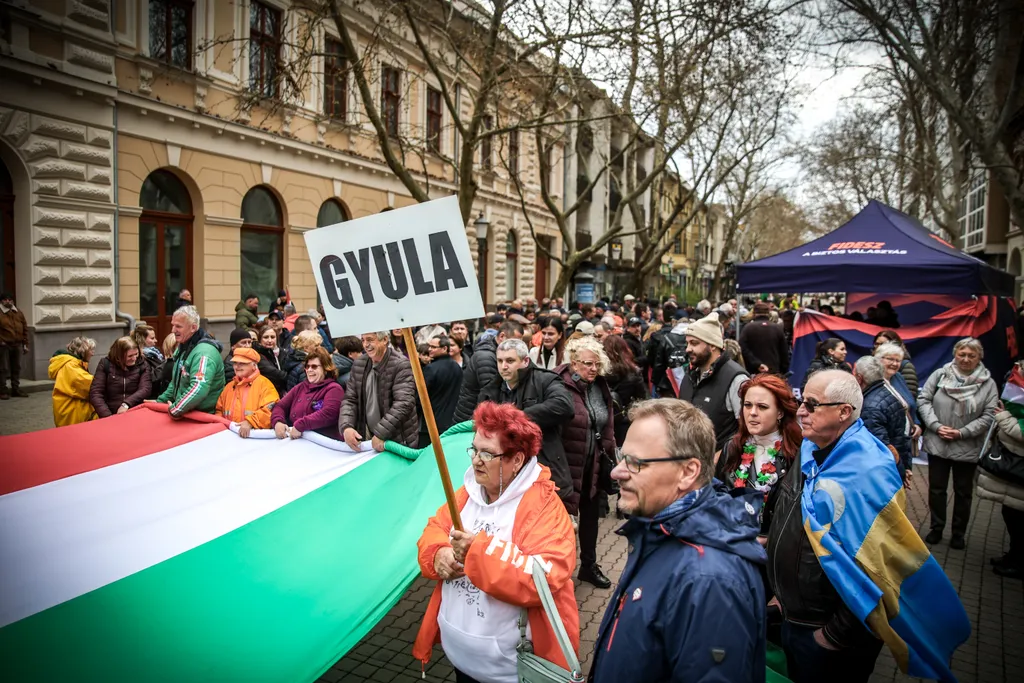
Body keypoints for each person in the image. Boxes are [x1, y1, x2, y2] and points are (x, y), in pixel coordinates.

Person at [768, 369, 968, 683]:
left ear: (844, 412)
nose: (800, 411)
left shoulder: (868, 472)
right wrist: (782, 594)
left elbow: (877, 565)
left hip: (829, 635)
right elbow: (793, 524)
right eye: (800, 400)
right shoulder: (811, 449)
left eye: (811, 403)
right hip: (795, 615)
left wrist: (835, 634)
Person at [589, 399, 767, 682]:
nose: (617, 472)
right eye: (622, 456)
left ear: (688, 472)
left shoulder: (710, 580)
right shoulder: (659, 531)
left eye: (635, 463)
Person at [412, 402, 579, 683]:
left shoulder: (544, 505)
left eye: (487, 453)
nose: (476, 460)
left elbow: (546, 577)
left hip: (508, 670)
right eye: (474, 450)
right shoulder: (468, 492)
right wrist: (438, 552)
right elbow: (434, 529)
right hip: (460, 658)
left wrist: (477, 552)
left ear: (516, 460)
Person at [477, 338, 575, 512]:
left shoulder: (544, 380)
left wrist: (516, 418)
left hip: (545, 464)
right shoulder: (491, 389)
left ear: (525, 361)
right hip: (507, 471)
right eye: (500, 361)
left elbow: (564, 405)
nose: (503, 366)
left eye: (510, 360)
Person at [919, 337, 998, 549]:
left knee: (963, 492)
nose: (965, 359)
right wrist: (936, 426)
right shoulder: (940, 375)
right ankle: (937, 528)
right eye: (961, 354)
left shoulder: (988, 383)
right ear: (955, 354)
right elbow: (924, 400)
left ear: (979, 357)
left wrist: (962, 432)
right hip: (938, 440)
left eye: (971, 355)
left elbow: (990, 414)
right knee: (936, 489)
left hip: (968, 445)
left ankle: (958, 533)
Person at [557, 336, 617, 588]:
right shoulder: (557, 384)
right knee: (561, 523)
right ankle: (558, 573)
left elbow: (608, 424)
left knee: (591, 519)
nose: (593, 369)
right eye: (588, 364)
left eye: (597, 364)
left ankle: (589, 567)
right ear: (573, 362)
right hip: (566, 468)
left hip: (593, 465)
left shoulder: (599, 385)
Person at [715, 374, 802, 534]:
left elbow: (797, 516)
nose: (752, 413)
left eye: (762, 407)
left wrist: (769, 540)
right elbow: (718, 498)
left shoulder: (796, 453)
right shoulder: (732, 447)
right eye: (747, 405)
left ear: (780, 413)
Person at [976, 363, 1024, 579]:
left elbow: (1020, 432)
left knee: (1019, 519)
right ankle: (1013, 556)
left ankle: (1018, 563)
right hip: (1014, 464)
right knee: (1011, 514)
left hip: (1019, 466)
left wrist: (1003, 417)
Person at [678, 312, 749, 452]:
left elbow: (747, 429)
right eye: (687, 343)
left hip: (719, 467)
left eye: (694, 343)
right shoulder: (690, 375)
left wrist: (720, 457)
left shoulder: (736, 378)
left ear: (712, 345)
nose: (688, 349)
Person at [339, 331, 419, 451]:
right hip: (369, 438)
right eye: (363, 340)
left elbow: (404, 403)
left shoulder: (401, 364)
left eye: (370, 339)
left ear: (385, 340)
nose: (365, 344)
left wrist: (381, 433)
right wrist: (346, 426)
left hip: (397, 440)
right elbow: (350, 399)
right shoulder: (359, 363)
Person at [156, 306, 225, 417]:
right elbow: (175, 383)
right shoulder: (183, 347)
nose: (173, 330)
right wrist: (160, 402)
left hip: (203, 418)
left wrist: (175, 410)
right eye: (173, 325)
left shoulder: (204, 353)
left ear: (193, 328)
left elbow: (198, 388)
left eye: (178, 326)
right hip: (187, 414)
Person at [453, 320, 525, 423]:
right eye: (513, 342)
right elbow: (491, 394)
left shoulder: (494, 353)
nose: (516, 347)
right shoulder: (486, 357)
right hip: (472, 418)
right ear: (502, 336)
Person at [854, 356, 912, 482]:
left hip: (882, 476)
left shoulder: (869, 408)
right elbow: (901, 437)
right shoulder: (890, 395)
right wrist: (905, 466)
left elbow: (880, 448)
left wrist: (900, 470)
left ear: (859, 378)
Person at [271, 346, 343, 440]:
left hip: (325, 444)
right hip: (300, 443)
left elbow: (329, 413)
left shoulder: (334, 389)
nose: (309, 370)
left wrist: (301, 425)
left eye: (314, 366)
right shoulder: (300, 387)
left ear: (326, 369)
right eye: (307, 366)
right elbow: (280, 406)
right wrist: (278, 421)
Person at [214, 347, 279, 438]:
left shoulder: (265, 385)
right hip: (229, 437)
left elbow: (270, 411)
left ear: (254, 365)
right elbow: (219, 410)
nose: (237, 366)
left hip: (254, 440)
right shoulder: (229, 387)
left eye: (242, 363)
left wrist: (250, 422)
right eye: (235, 363)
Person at [418, 334, 463, 447]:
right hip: (452, 422)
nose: (430, 349)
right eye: (429, 346)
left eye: (434, 347)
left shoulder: (430, 369)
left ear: (444, 349)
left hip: (431, 424)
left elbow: (420, 397)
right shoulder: (457, 367)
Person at [602, 335, 648, 446]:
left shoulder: (599, 374)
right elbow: (643, 399)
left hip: (603, 420)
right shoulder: (633, 372)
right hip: (624, 421)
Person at [89, 336, 151, 418]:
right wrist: (107, 416)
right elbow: (96, 392)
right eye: (130, 356)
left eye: (136, 354)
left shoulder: (142, 365)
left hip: (135, 413)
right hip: (110, 413)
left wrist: (126, 404)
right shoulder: (105, 364)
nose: (134, 358)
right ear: (119, 355)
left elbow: (145, 389)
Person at [49, 336, 98, 427]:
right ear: (83, 351)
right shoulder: (70, 365)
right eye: (91, 350)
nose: (93, 354)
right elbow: (87, 383)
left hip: (69, 409)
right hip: (72, 411)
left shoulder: (72, 363)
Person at [739, 301, 789, 375]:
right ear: (768, 313)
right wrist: (783, 370)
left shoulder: (748, 328)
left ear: (754, 313)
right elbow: (784, 351)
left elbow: (743, 349)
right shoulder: (777, 328)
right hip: (773, 371)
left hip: (753, 372)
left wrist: (757, 364)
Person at [0, 291, 29, 399]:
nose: (8, 301)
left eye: (10, 299)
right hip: (4, 345)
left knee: (16, 367)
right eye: (5, 300)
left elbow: (24, 328)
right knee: (3, 369)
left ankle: (15, 389)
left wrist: (25, 344)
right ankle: (3, 390)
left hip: (17, 344)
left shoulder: (18, 312)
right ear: (2, 301)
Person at [132, 323, 166, 399]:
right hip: (150, 397)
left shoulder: (155, 353)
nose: (156, 340)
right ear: (142, 339)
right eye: (152, 338)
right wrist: (166, 364)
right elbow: (151, 379)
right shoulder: (139, 358)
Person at [254, 324, 289, 396]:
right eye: (266, 337)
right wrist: (291, 377)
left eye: (272, 337)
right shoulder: (258, 355)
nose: (269, 340)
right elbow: (275, 374)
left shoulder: (282, 353)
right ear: (260, 339)